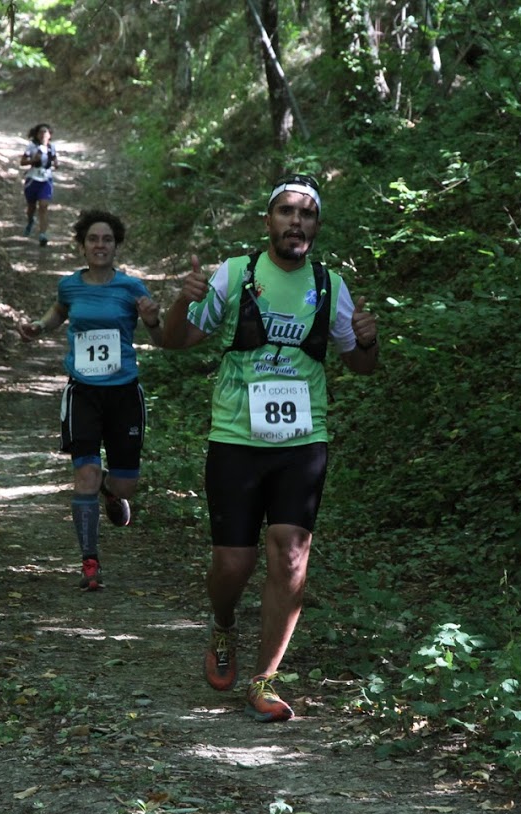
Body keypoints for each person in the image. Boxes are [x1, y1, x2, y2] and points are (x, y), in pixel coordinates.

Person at [158, 173, 379, 722]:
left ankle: (264, 680)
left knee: (290, 554)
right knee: (233, 563)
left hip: (303, 440)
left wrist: (370, 341)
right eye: (286, 211)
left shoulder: (330, 286)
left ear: (316, 226)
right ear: (269, 221)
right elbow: (176, 342)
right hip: (235, 437)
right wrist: (180, 306)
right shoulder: (235, 274)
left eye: (306, 214)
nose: (295, 222)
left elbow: (361, 365)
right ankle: (224, 622)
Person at [19, 209, 163, 591]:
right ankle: (90, 562)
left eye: (107, 240)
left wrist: (153, 319)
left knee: (125, 484)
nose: (100, 245)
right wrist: (38, 327)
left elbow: (158, 332)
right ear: (82, 245)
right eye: (93, 239)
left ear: (116, 245)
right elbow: (59, 313)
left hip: (123, 393)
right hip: (83, 392)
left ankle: (110, 492)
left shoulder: (132, 288)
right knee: (84, 474)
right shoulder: (70, 286)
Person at [20, 123, 58, 246]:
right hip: (32, 179)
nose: (43, 135)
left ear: (49, 135)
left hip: (46, 179)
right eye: (40, 132)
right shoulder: (31, 146)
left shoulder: (52, 148)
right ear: (36, 135)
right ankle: (30, 220)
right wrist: (33, 160)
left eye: (45, 132)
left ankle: (43, 234)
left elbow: (55, 161)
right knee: (31, 207)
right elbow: (22, 162)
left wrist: (56, 164)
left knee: (43, 205)